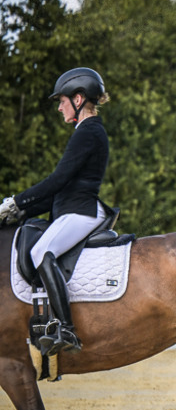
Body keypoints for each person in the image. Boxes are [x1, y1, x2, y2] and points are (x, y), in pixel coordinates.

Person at [0, 68, 111, 355]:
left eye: (62, 101)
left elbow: (58, 180)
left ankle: (67, 329)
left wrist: (16, 202)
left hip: (82, 211)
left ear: (78, 99)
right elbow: (60, 193)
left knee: (41, 252)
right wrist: (20, 212)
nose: (60, 107)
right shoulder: (86, 132)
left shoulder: (89, 131)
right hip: (73, 207)